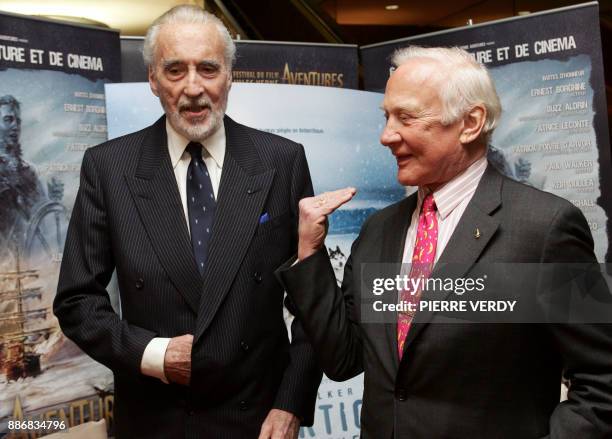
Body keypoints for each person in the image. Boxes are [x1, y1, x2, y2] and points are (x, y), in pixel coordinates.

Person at [276, 46, 612, 438]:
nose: (386, 135)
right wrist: (311, 254)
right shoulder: (379, 232)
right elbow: (345, 357)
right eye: (386, 117)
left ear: (470, 123)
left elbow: (602, 381)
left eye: (407, 117)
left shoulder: (545, 228)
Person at [54, 6, 321, 439]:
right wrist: (153, 354)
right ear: (153, 80)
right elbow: (76, 301)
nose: (193, 88)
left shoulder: (281, 161)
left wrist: (290, 404)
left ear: (230, 74)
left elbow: (311, 304)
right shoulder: (109, 168)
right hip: (156, 419)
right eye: (175, 70)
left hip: (256, 421)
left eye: (208, 69)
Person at [0, 95, 46, 261]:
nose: (15, 126)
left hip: (31, 260)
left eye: (18, 121)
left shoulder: (29, 171)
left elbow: (42, 218)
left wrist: (54, 200)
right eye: (8, 120)